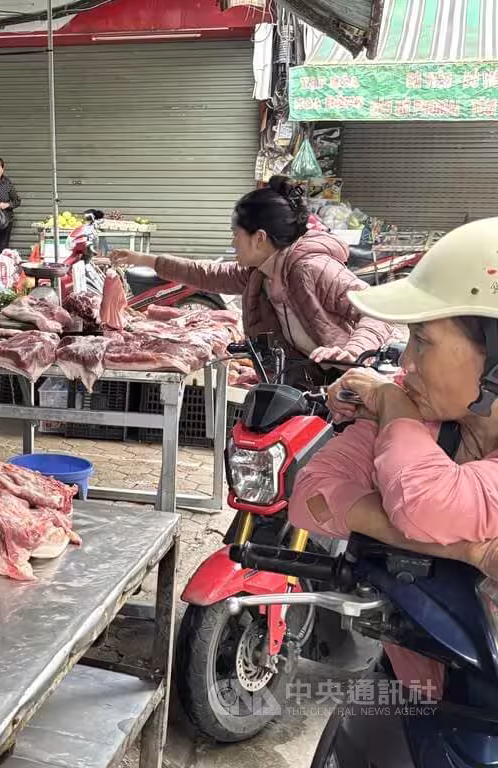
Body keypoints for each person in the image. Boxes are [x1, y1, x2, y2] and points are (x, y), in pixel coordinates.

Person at [288, 216, 498, 694]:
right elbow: (311, 496)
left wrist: (389, 400)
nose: (406, 363)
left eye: (422, 341)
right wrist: (470, 549)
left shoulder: (401, 409)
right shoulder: (422, 414)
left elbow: (424, 501)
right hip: (420, 686)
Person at [110, 176, 394, 387]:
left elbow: (377, 309)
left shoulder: (311, 267)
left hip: (346, 381)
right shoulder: (259, 272)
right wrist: (144, 259)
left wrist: (353, 351)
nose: (233, 242)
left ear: (259, 238)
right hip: (307, 382)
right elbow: (205, 274)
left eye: (236, 234)